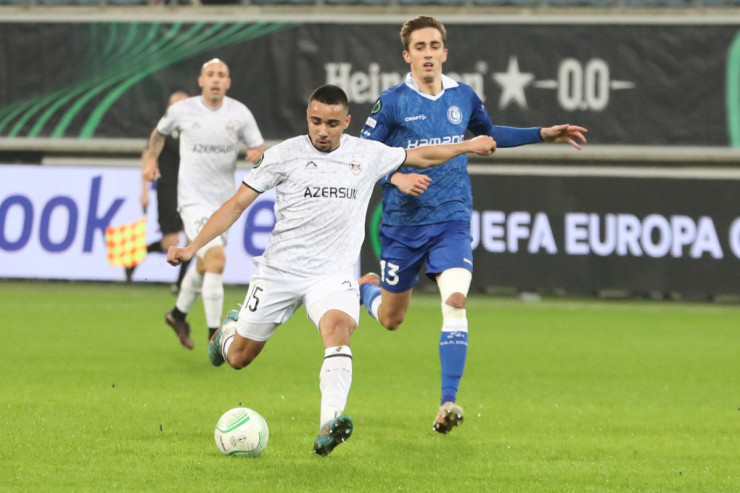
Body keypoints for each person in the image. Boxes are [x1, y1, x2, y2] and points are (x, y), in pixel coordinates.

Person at [166, 85, 496, 456]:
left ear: (347, 122)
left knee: (338, 329)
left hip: (331, 275)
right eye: (316, 121)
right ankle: (226, 334)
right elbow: (236, 205)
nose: (323, 131)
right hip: (279, 273)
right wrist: (192, 247)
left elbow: (421, 155)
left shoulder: (366, 153)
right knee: (239, 357)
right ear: (308, 118)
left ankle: (329, 423)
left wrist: (467, 145)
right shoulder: (283, 155)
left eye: (332, 124)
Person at [357, 15, 588, 435]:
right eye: (420, 47)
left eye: (434, 46)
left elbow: (489, 134)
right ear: (407, 56)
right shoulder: (391, 103)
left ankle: (447, 403)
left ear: (445, 52)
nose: (428, 54)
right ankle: (365, 290)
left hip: (451, 220)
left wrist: (542, 133)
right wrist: (396, 178)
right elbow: (360, 159)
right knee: (391, 319)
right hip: (402, 226)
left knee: (456, 300)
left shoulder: (463, 96)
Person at [142, 58, 265, 351]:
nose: (215, 79)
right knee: (217, 260)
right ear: (201, 81)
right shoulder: (182, 110)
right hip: (192, 201)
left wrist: (256, 154)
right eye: (210, 74)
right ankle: (216, 336)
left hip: (224, 204)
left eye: (221, 75)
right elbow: (158, 134)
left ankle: (177, 315)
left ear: (228, 83)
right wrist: (151, 159)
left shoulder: (240, 113)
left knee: (202, 264)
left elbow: (259, 147)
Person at [127, 90, 191, 294]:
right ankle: (134, 257)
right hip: (168, 190)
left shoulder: (195, 131)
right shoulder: (162, 130)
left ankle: (180, 284)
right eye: (176, 105)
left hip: (190, 191)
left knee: (192, 238)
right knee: (170, 243)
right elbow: (148, 156)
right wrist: (144, 191)